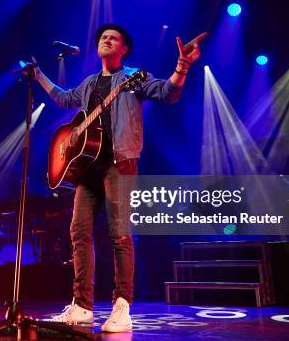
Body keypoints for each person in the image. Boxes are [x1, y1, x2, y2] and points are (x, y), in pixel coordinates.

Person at [35, 24, 201, 332]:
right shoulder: (89, 83)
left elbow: (168, 93)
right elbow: (63, 99)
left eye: (113, 38)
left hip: (119, 163)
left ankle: (122, 305)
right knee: (78, 232)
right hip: (87, 168)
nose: (106, 40)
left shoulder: (134, 78)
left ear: (124, 49)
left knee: (119, 234)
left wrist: (182, 66)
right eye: (103, 38)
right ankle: (82, 306)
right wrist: (39, 76)